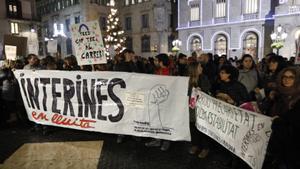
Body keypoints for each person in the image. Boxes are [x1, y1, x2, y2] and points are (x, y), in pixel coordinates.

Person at [265, 67, 300, 169]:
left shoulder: (297, 98)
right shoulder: (277, 95)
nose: (287, 79)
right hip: (275, 141)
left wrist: (281, 119)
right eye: (284, 77)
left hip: (293, 146)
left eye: (291, 77)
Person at [187, 62, 211, 158]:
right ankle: (195, 145)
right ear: (195, 69)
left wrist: (202, 91)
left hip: (202, 107)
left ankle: (205, 148)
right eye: (200, 66)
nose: (202, 68)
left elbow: (208, 89)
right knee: (192, 127)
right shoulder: (187, 80)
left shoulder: (204, 78)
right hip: (191, 108)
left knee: (202, 128)